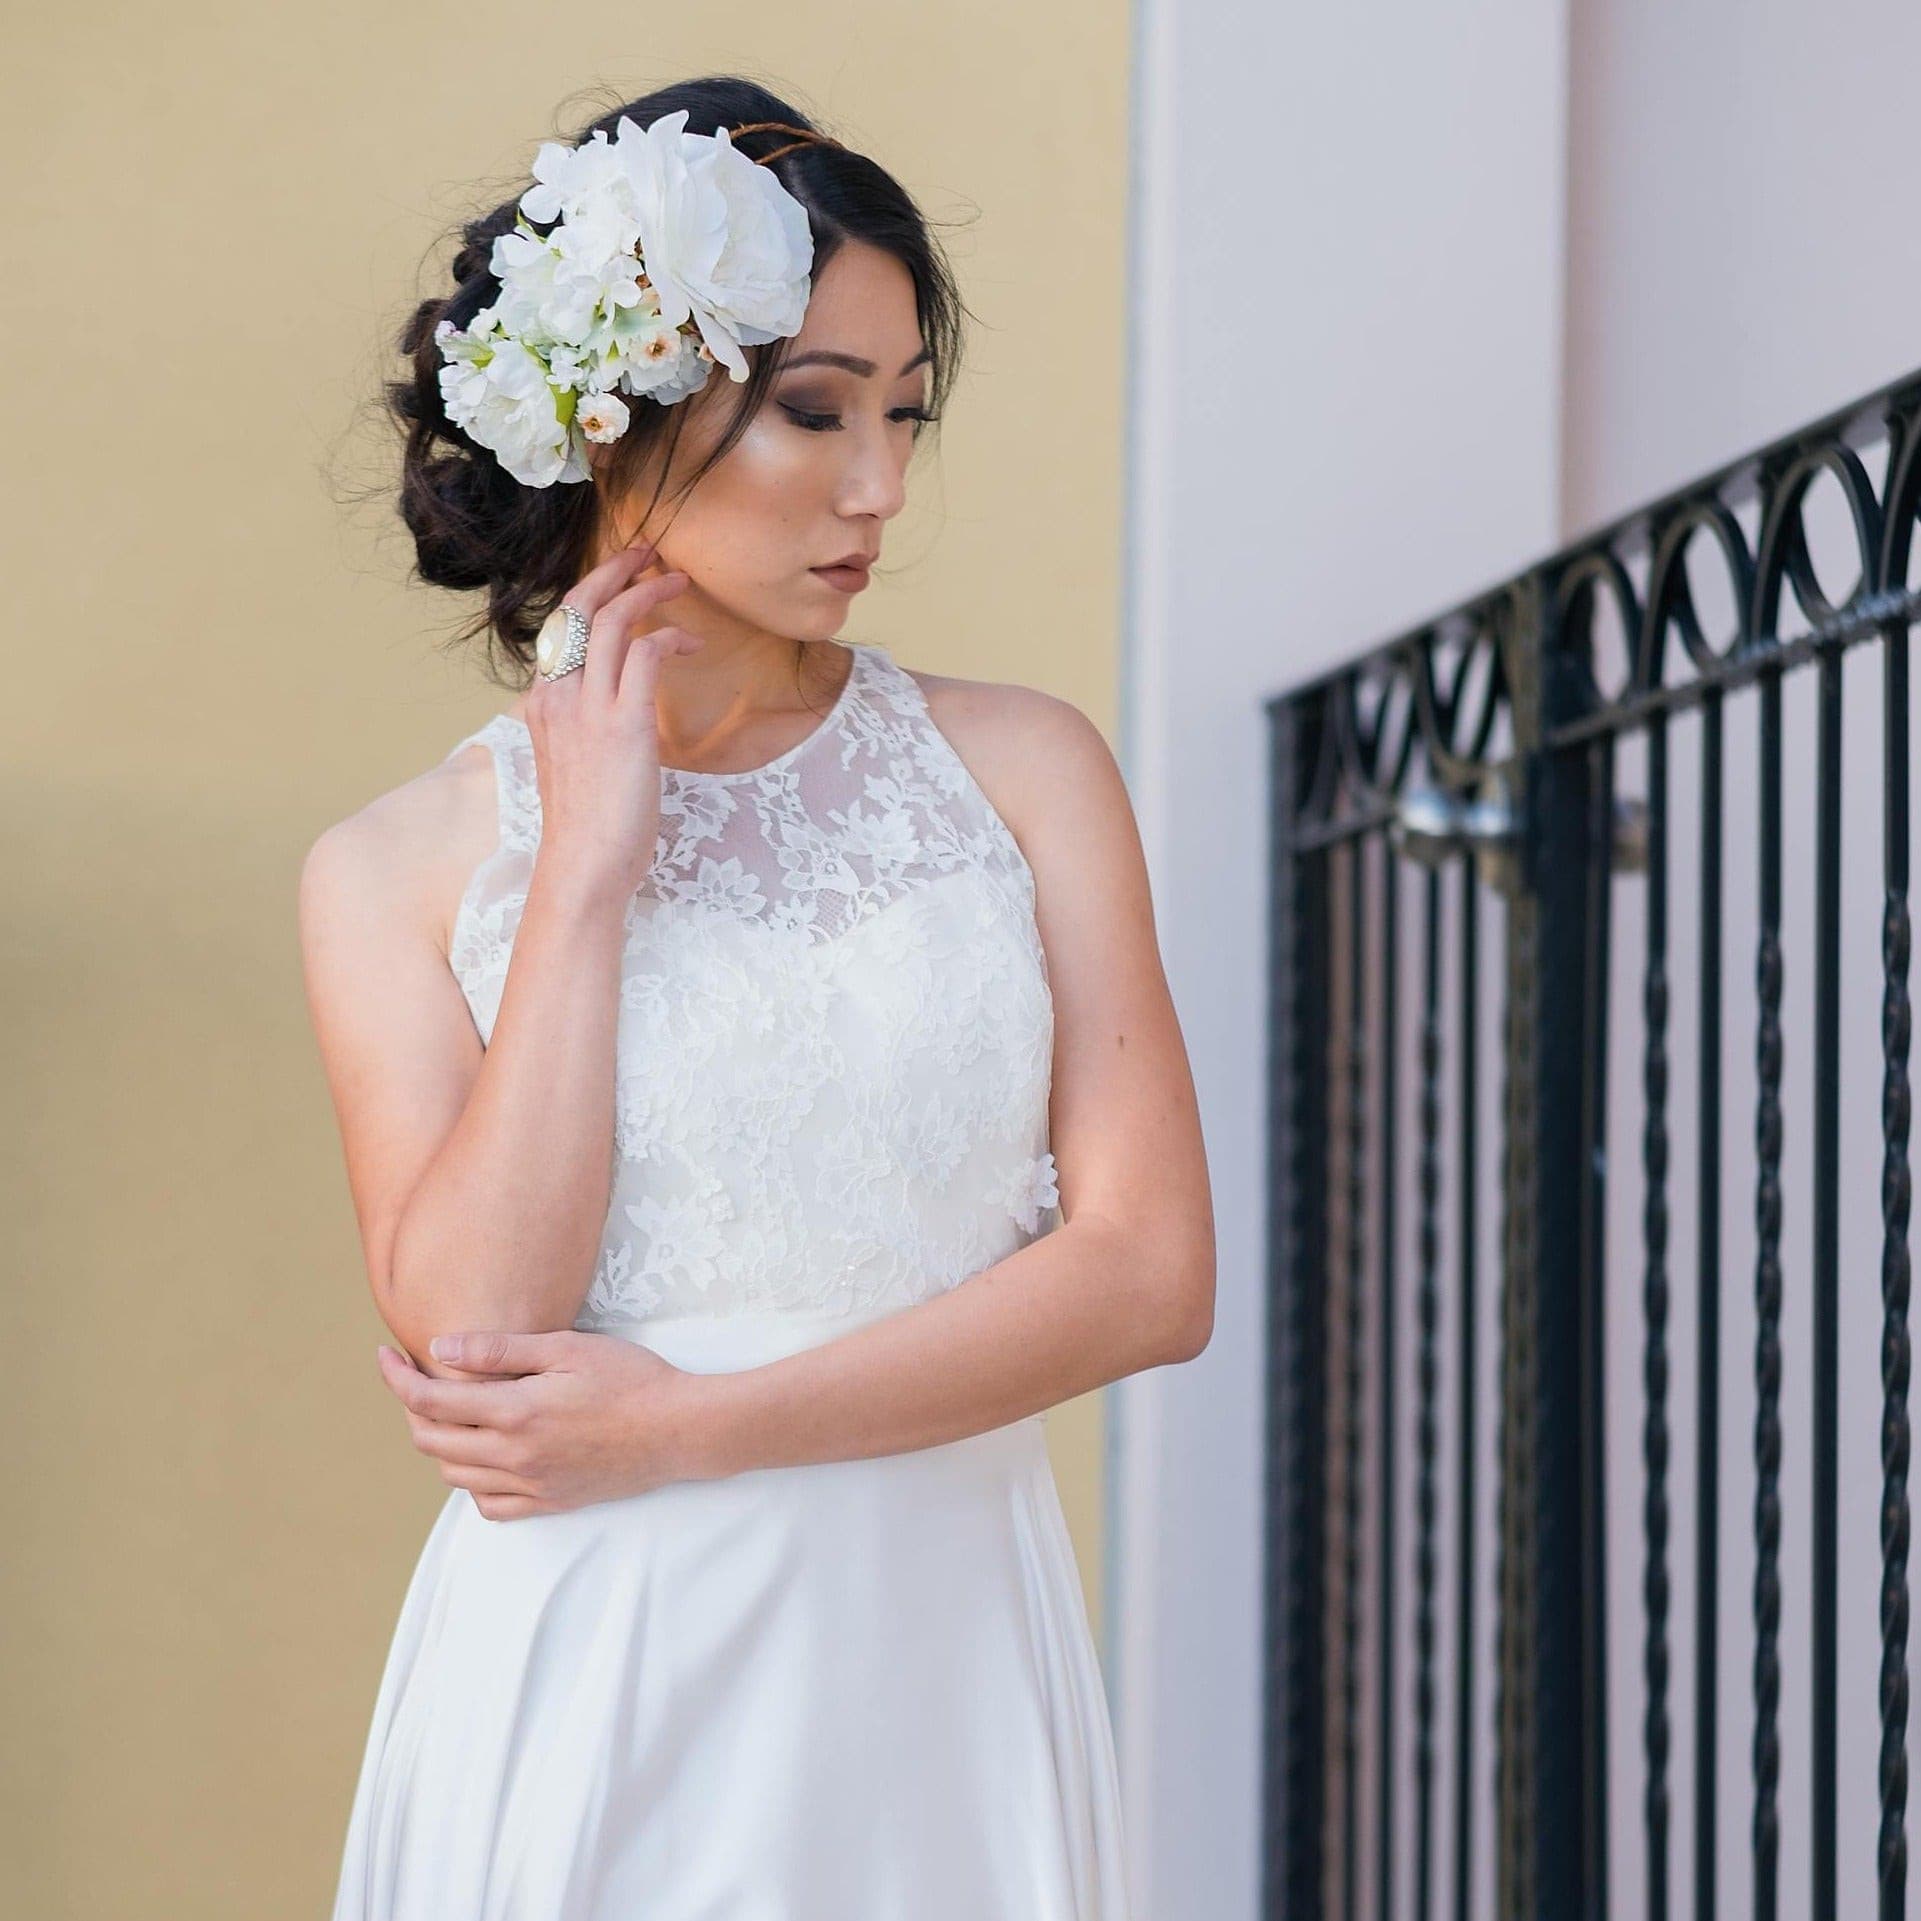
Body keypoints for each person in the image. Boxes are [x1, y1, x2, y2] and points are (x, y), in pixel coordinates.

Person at [298, 74, 1214, 1921]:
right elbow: (478, 1321)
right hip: (596, 1674)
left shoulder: (1024, 771)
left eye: (902, 416)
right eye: (810, 412)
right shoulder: (393, 871)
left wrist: (681, 1429)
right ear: (612, 415)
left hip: (935, 1664)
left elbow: (1149, 1272)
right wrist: (587, 871)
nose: (876, 487)